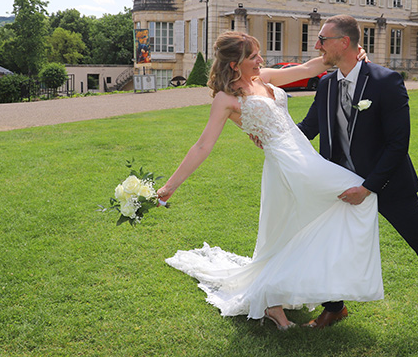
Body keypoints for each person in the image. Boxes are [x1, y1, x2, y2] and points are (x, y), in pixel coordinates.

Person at [157, 31, 382, 330]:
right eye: (253, 57)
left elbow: (310, 68)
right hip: (287, 165)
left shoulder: (263, 78)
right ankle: (297, 299)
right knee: (356, 193)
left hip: (305, 156)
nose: (261, 60)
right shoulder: (226, 99)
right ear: (235, 64)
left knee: (290, 231)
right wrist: (169, 187)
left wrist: (354, 54)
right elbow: (202, 146)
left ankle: (281, 299)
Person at [297, 14, 418, 346]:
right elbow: (308, 129)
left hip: (388, 184)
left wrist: (368, 187)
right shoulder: (326, 85)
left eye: (322, 40)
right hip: (340, 185)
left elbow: (398, 144)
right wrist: (273, 136)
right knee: (328, 246)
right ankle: (334, 308)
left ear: (344, 42)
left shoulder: (386, 81)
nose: (317, 46)